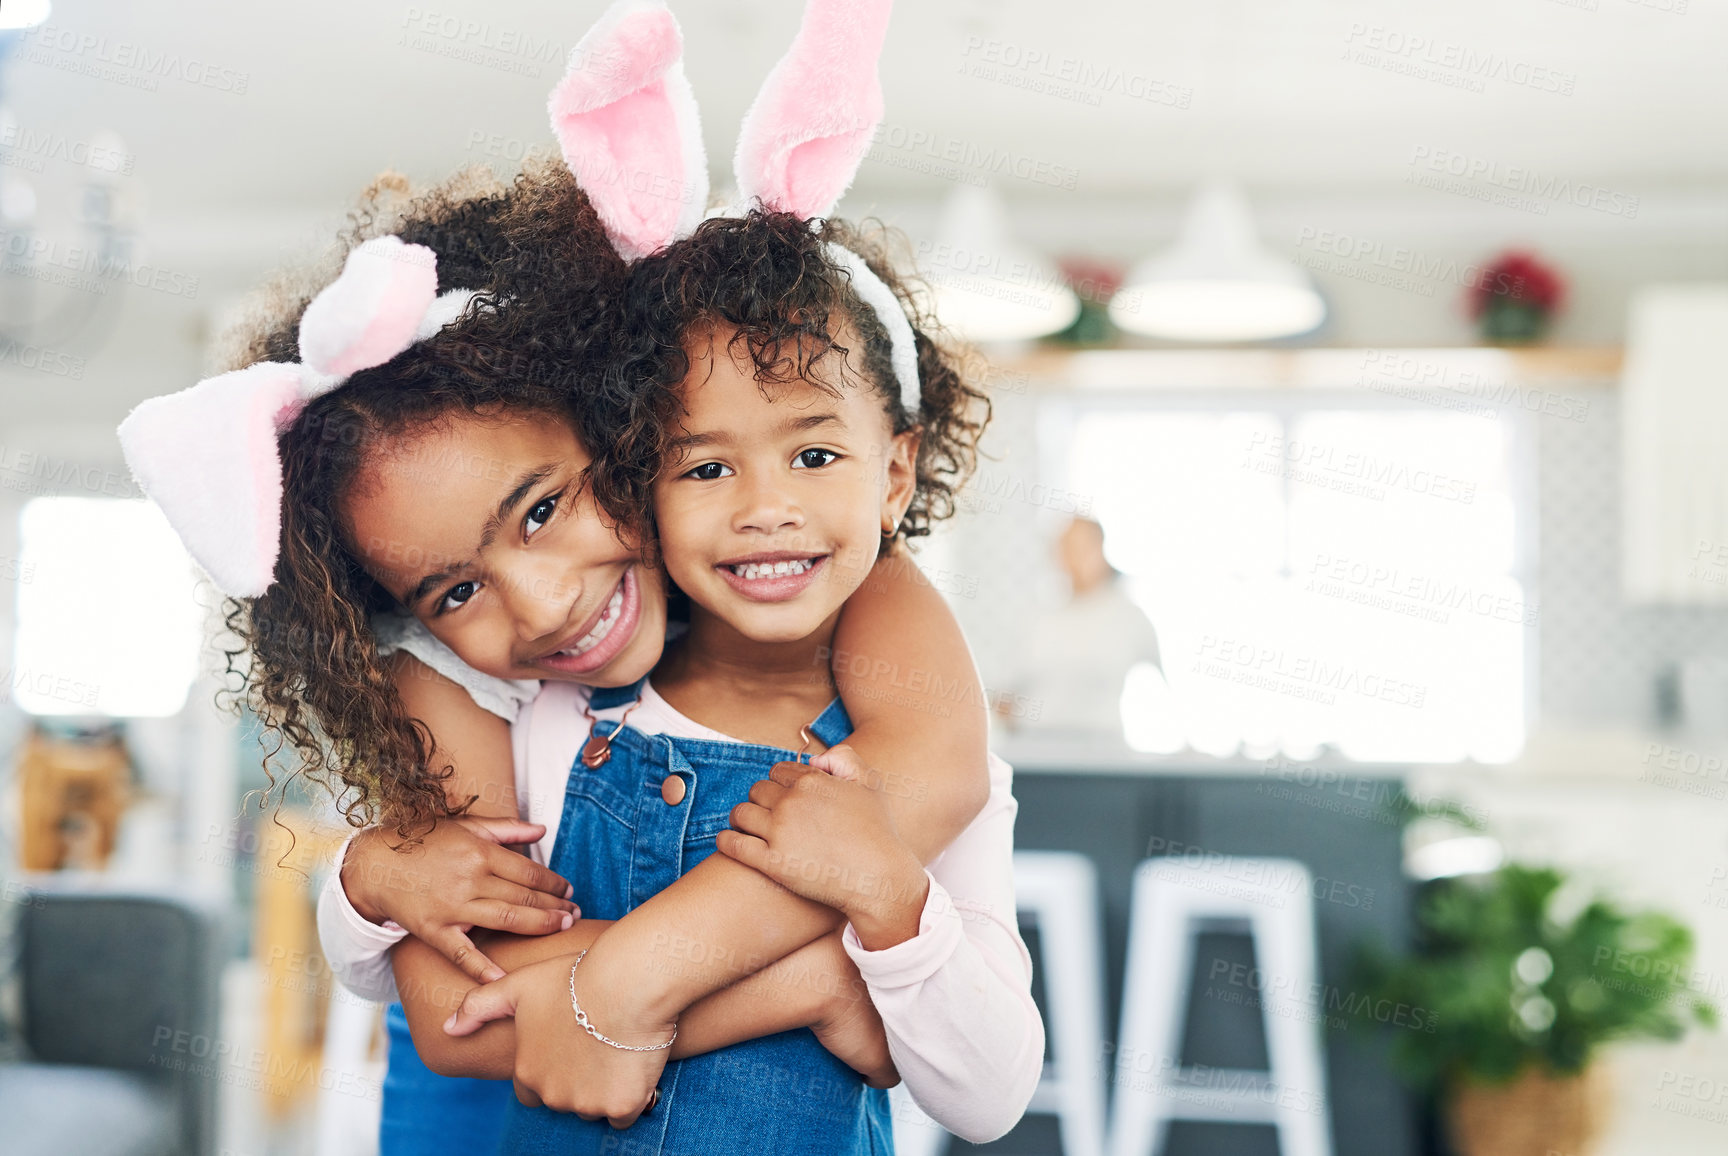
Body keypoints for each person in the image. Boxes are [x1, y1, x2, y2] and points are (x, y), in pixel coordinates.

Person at [119, 1, 1042, 1150]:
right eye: (453, 589)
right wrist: (812, 980)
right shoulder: (473, 694)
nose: (546, 599)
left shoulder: (875, 618)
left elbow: (936, 809)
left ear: (607, 428)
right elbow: (459, 1009)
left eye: (545, 506)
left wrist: (614, 989)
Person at [998, 516, 1163, 743]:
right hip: (1037, 747)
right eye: (1066, 549)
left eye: (1082, 548)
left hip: (1103, 751)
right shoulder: (1039, 619)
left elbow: (1165, 688)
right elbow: (1005, 695)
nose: (1073, 559)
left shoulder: (1129, 618)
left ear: (1101, 550)